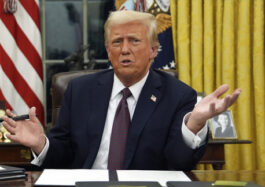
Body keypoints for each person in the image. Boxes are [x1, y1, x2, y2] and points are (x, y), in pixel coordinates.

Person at [2, 10, 241, 171]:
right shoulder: (80, 90)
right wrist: (41, 144)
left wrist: (194, 125)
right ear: (108, 50)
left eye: (134, 41)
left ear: (153, 50)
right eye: (117, 42)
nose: (124, 49)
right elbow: (63, 155)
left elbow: (178, 164)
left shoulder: (179, 95)